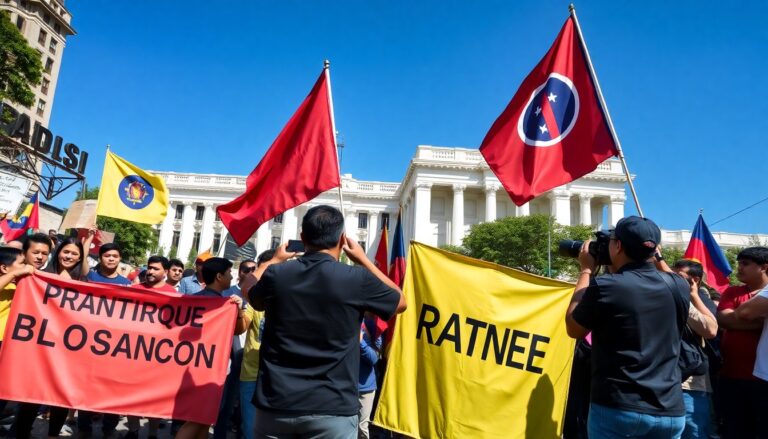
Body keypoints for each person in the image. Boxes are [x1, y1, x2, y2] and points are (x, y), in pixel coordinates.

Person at [242, 205, 407, 438]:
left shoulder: (278, 275)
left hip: (276, 405)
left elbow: (247, 288)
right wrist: (363, 260)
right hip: (333, 408)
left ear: (302, 238)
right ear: (341, 239)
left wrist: (273, 261)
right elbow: (400, 301)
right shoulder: (356, 279)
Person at [564, 216, 690, 438]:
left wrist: (585, 271)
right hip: (670, 409)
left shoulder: (607, 286)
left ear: (618, 245)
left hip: (619, 407)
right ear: (655, 250)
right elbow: (668, 273)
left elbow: (574, 327)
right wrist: (655, 255)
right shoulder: (678, 285)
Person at [16, 234, 93, 439]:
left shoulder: (84, 283)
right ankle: (22, 433)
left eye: (74, 254)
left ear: (80, 258)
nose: (69, 256)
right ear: (58, 253)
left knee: (60, 396)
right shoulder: (38, 276)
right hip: (38, 345)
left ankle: (52, 435)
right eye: (65, 251)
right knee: (31, 395)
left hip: (68, 349)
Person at [176, 257, 249, 439]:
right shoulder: (222, 305)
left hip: (193, 364)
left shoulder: (194, 300)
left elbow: (237, 330)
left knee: (204, 418)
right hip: (209, 368)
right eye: (228, 274)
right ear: (219, 276)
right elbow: (239, 330)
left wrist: (238, 310)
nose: (231, 278)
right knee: (196, 419)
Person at [77, 242, 129, 438]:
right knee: (87, 387)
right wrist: (86, 240)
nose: (111, 259)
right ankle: (84, 427)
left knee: (113, 389)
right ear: (100, 258)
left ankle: (109, 428)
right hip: (88, 341)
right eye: (107, 256)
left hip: (115, 345)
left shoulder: (126, 283)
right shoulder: (89, 277)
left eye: (115, 256)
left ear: (119, 259)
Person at [716, 247, 768, 438]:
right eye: (739, 263)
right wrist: (761, 322)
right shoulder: (732, 292)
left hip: (763, 380)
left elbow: (735, 319)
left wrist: (740, 320)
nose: (739, 268)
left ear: (764, 267)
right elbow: (723, 320)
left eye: (745, 264)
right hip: (731, 377)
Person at [670, 259, 718, 439]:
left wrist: (689, 296)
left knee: (693, 430)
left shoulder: (702, 298)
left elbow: (710, 329)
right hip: (663, 377)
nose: (673, 279)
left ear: (694, 280)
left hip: (690, 382)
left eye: (678, 276)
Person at [214, 258, 258, 439]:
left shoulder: (258, 296)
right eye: (245, 270)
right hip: (231, 354)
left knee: (246, 407)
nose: (249, 273)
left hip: (251, 356)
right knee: (226, 402)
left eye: (253, 270)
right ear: (239, 272)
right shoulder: (228, 294)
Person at [238, 251, 272, 439]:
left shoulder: (289, 295)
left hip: (278, 375)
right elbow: (241, 328)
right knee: (250, 429)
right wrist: (238, 313)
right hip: (251, 372)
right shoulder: (252, 300)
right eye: (265, 269)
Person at [0, 247, 34, 426]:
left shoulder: (18, 284)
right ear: (4, 268)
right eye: (22, 264)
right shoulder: (6, 282)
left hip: (10, 342)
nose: (26, 267)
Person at [358, 314, 382, 439]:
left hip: (365, 388)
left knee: (361, 428)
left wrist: (360, 342)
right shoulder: (342, 320)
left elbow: (373, 358)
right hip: (343, 386)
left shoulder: (371, 324)